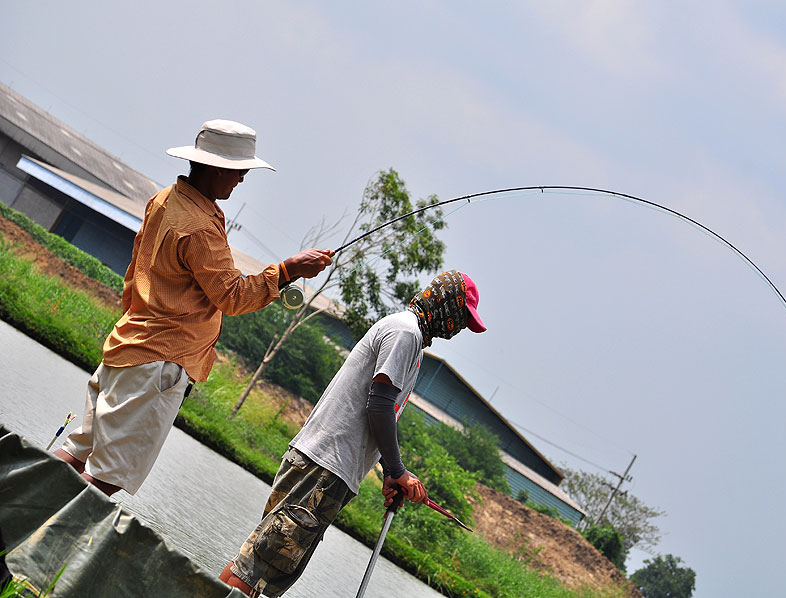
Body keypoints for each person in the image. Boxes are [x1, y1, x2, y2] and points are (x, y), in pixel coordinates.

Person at [53, 119, 334, 497]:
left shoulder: (164, 199)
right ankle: (41, 542)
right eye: (238, 173)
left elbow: (135, 270)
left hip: (127, 344)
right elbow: (232, 296)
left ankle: (16, 507)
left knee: (75, 451)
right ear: (218, 168)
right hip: (158, 362)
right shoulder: (199, 226)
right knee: (106, 478)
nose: (241, 181)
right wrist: (287, 270)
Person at [219, 270, 486, 597]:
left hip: (326, 465)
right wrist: (399, 471)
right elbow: (379, 405)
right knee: (260, 566)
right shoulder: (406, 333)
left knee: (265, 563)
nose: (458, 329)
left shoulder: (409, 338)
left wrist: (390, 472)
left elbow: (377, 408)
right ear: (446, 306)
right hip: (326, 466)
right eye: (460, 318)